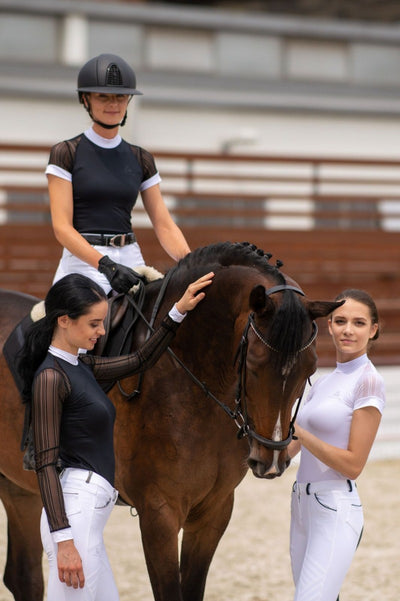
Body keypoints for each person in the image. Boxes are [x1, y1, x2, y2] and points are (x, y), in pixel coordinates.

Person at [18, 270, 214, 600]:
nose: (102, 331)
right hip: (73, 519)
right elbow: (45, 464)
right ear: (64, 320)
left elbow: (140, 359)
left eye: (102, 322)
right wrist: (64, 540)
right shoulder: (50, 378)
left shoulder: (79, 365)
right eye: (93, 323)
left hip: (88, 517)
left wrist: (178, 310)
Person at [46, 53, 191, 295]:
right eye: (103, 96)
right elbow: (62, 227)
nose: (113, 104)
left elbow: (163, 223)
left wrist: (191, 263)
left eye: (120, 97)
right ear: (85, 99)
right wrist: (106, 266)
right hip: (84, 262)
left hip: (130, 257)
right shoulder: (66, 152)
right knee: (77, 322)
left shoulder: (141, 158)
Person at [288, 288, 385, 601]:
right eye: (340, 321)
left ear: (373, 330)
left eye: (358, 323)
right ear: (328, 325)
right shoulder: (322, 381)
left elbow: (353, 465)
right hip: (301, 506)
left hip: (335, 508)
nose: (347, 329)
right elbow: (287, 452)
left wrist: (301, 435)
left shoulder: (368, 381)